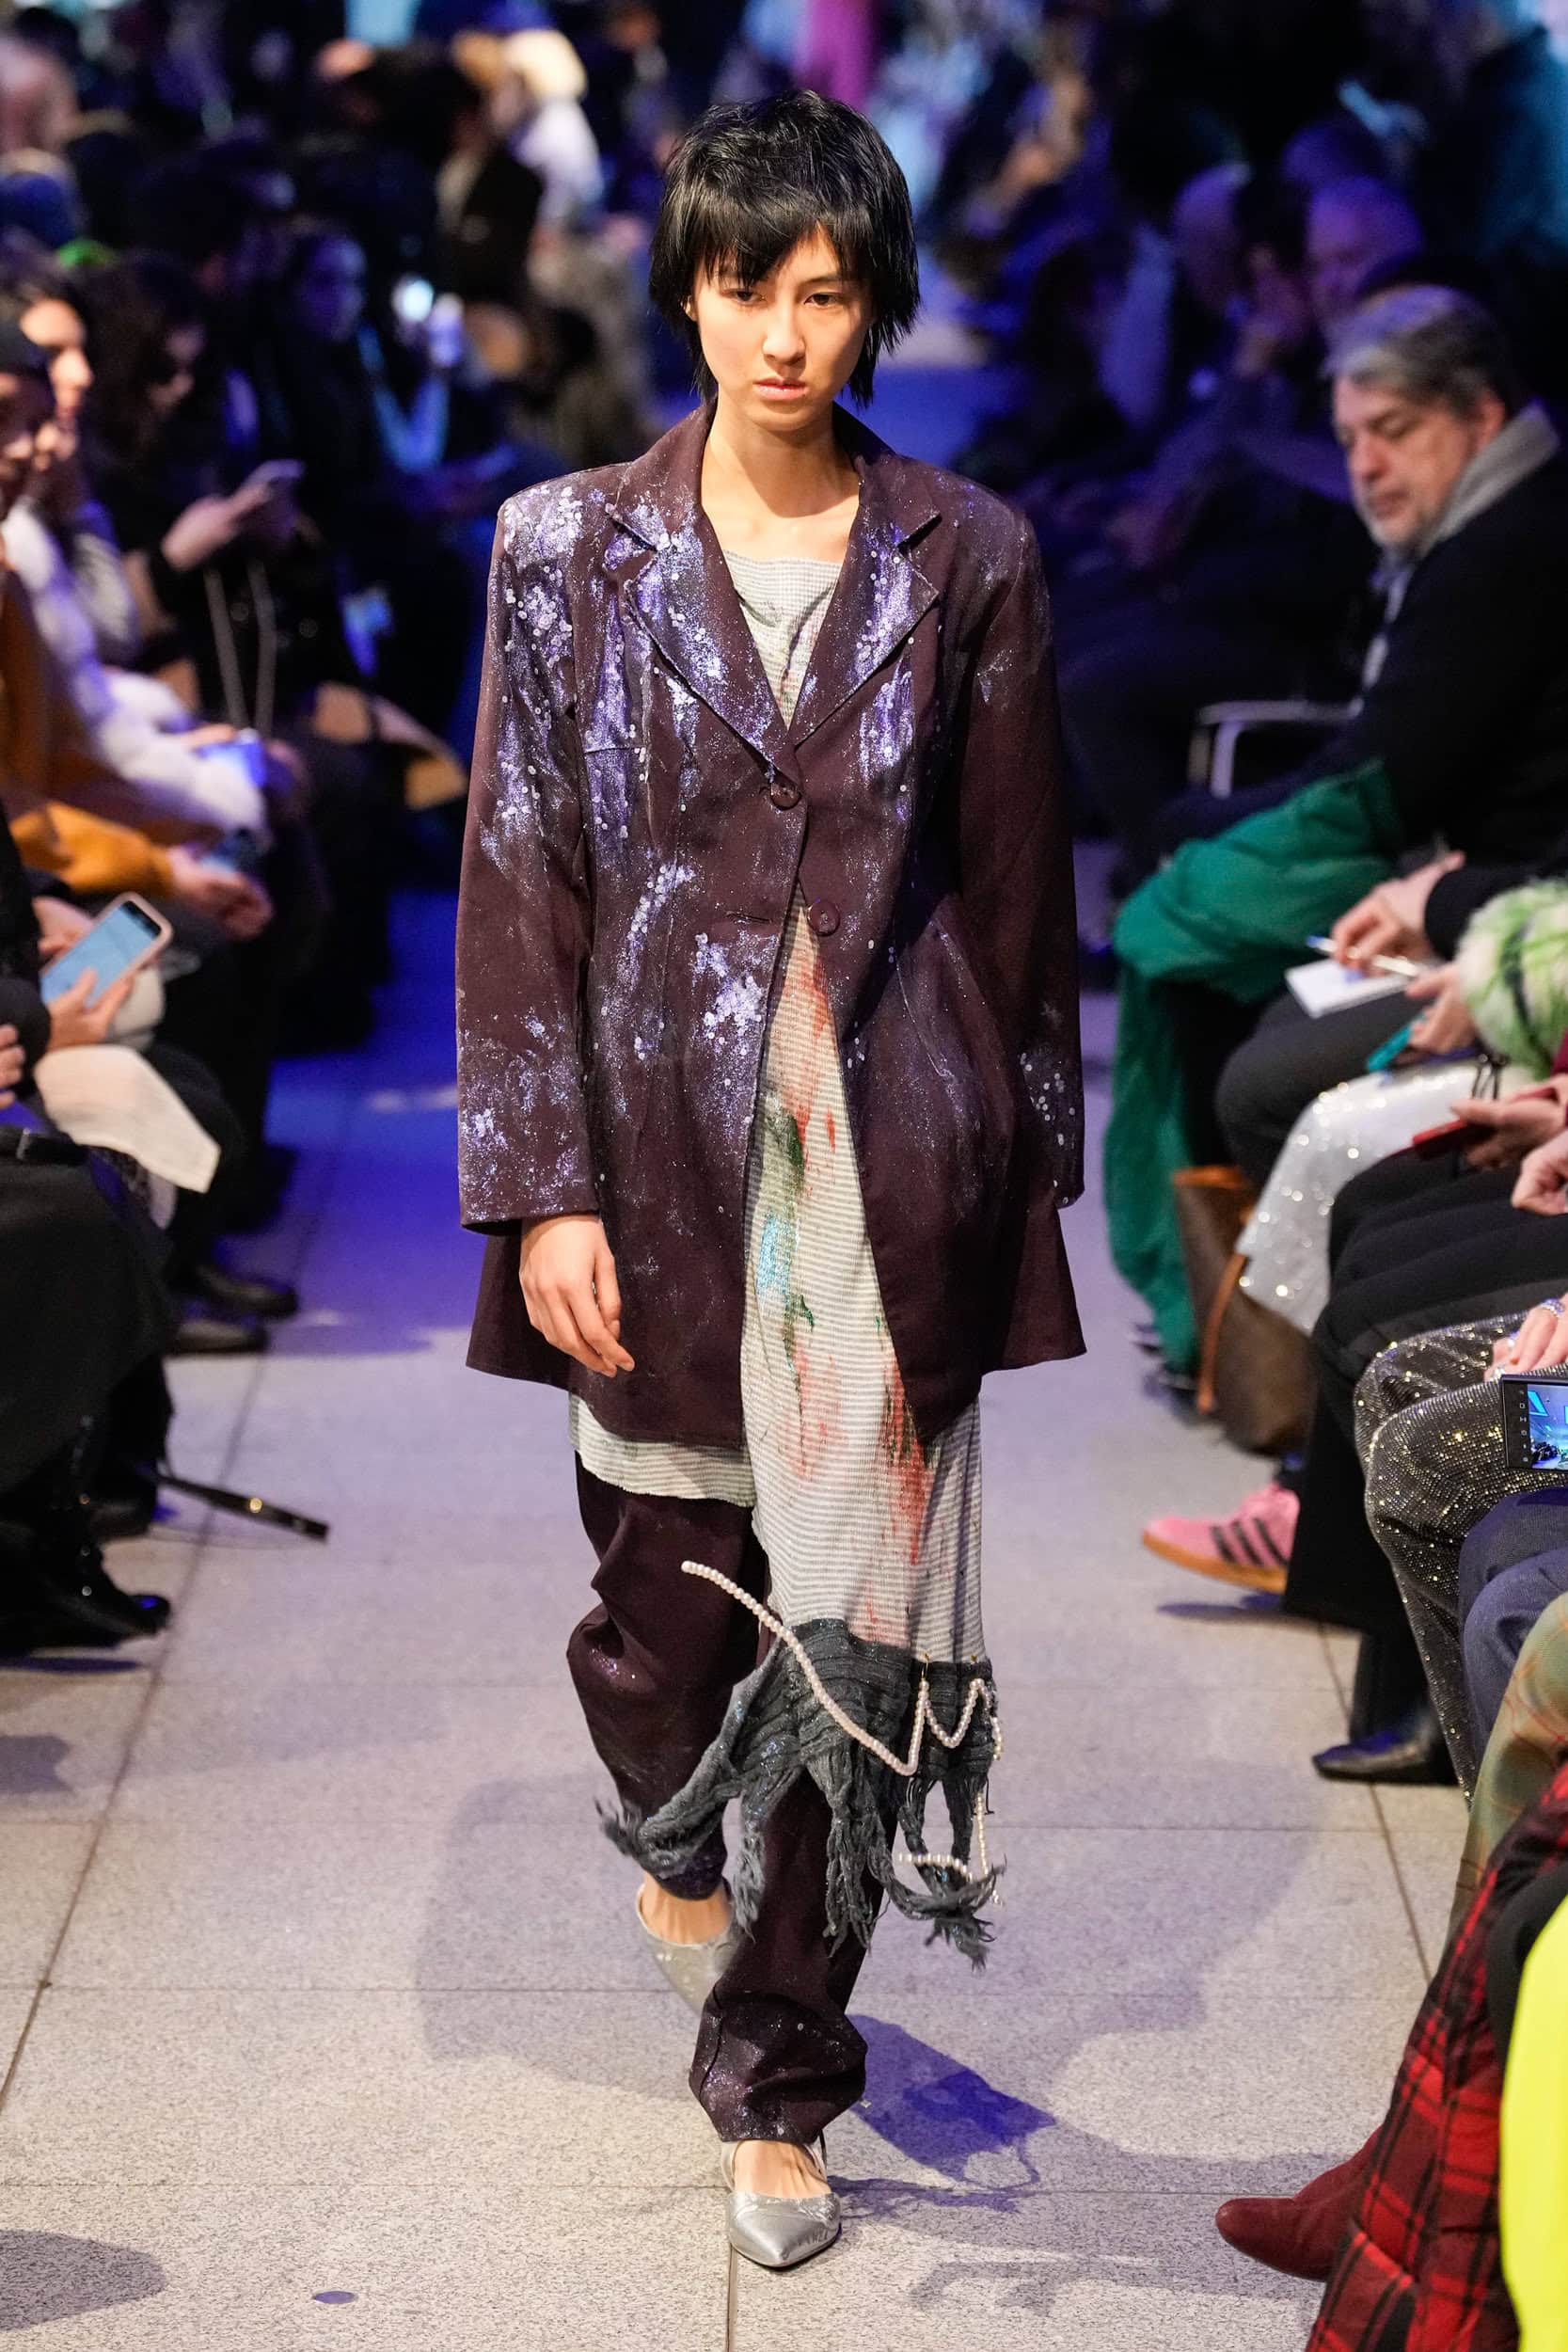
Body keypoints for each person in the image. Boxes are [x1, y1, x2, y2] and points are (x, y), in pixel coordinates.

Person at [456, 88, 1082, 2274]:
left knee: (837, 1649)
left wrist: (1012, 1182)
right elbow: (520, 872)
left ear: (876, 304)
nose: (786, 336)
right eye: (746, 290)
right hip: (648, 1151)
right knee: (660, 1624)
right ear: (688, 293)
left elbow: (1017, 887)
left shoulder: (969, 553)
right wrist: (539, 1184)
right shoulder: (564, 551)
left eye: (825, 294)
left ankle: (781, 2082)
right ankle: (665, 1821)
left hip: (885, 1160)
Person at [1106, 287, 1568, 1372]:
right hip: (1485, 906)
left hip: (1508, 924)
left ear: (1479, 415)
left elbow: (1392, 776)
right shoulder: (1482, 530)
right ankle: (1260, 1365)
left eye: (1391, 431)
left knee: (1263, 1068)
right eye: (1349, 438)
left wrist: (1447, 913)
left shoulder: (1507, 547)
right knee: (1248, 1003)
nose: (1363, 465)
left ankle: (1281, 1382)